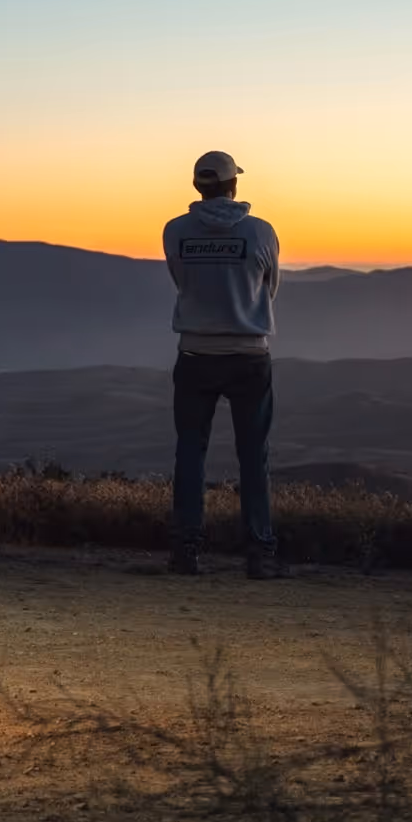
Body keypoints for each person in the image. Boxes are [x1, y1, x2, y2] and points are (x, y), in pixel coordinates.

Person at [162, 149, 280, 578]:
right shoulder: (261, 232)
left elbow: (181, 280)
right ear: (234, 184)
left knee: (190, 452)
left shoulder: (175, 231)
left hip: (195, 354)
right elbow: (269, 289)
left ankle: (185, 552)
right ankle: (259, 554)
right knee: (254, 455)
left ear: (197, 185)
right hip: (249, 354)